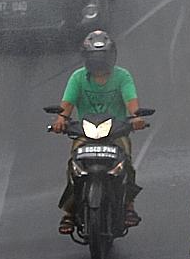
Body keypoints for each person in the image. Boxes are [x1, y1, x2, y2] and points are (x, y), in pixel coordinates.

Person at [49, 31, 147, 232]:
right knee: (73, 166)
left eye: (102, 57)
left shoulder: (122, 76)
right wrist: (61, 120)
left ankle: (129, 206)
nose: (99, 62)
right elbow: (66, 106)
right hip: (85, 133)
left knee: (126, 162)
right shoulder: (78, 78)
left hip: (116, 133)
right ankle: (69, 212)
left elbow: (131, 102)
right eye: (95, 58)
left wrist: (136, 118)